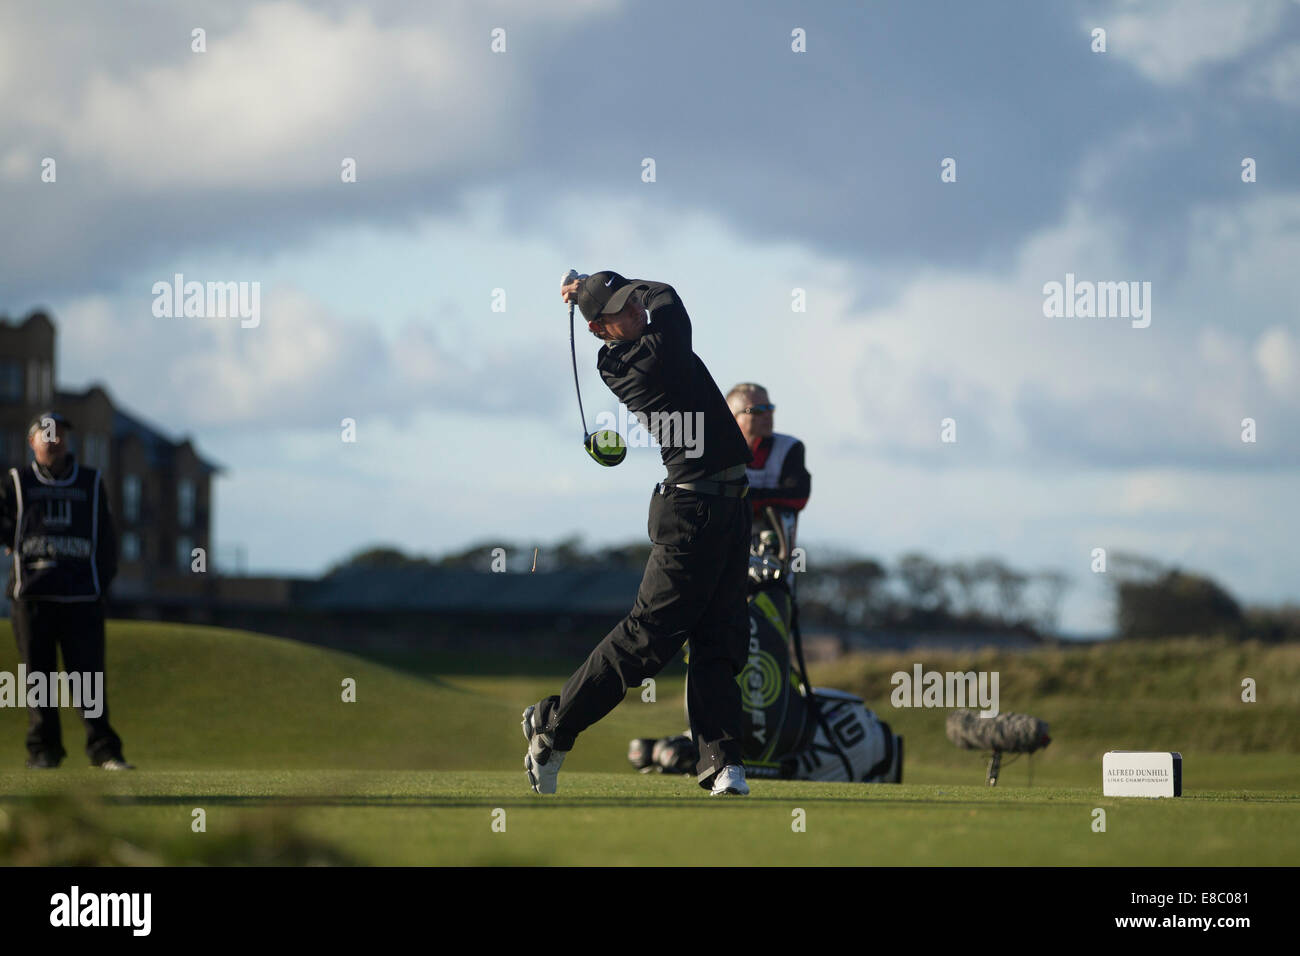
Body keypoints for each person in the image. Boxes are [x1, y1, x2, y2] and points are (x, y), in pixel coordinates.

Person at [522, 271, 754, 796]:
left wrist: (595, 283)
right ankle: (552, 731)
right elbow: (669, 298)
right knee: (645, 640)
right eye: (624, 310)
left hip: (732, 506)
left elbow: (659, 301)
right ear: (603, 329)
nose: (637, 311)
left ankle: (721, 763)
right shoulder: (633, 360)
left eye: (633, 304)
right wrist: (610, 283)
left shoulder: (642, 339)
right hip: (690, 511)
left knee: (721, 639)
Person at [0, 411, 132, 770]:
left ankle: (104, 750)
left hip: (81, 598)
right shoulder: (17, 481)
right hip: (32, 597)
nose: (54, 439)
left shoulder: (90, 482)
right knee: (38, 679)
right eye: (46, 434)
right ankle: (44, 751)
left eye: (60, 434)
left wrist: (100, 583)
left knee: (88, 677)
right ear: (32, 442)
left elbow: (106, 539)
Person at [726, 383, 811, 543]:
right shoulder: (718, 450)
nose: (767, 415)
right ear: (733, 417)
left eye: (770, 408)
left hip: (772, 546)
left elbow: (799, 495)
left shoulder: (789, 447)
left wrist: (747, 499)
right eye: (758, 410)